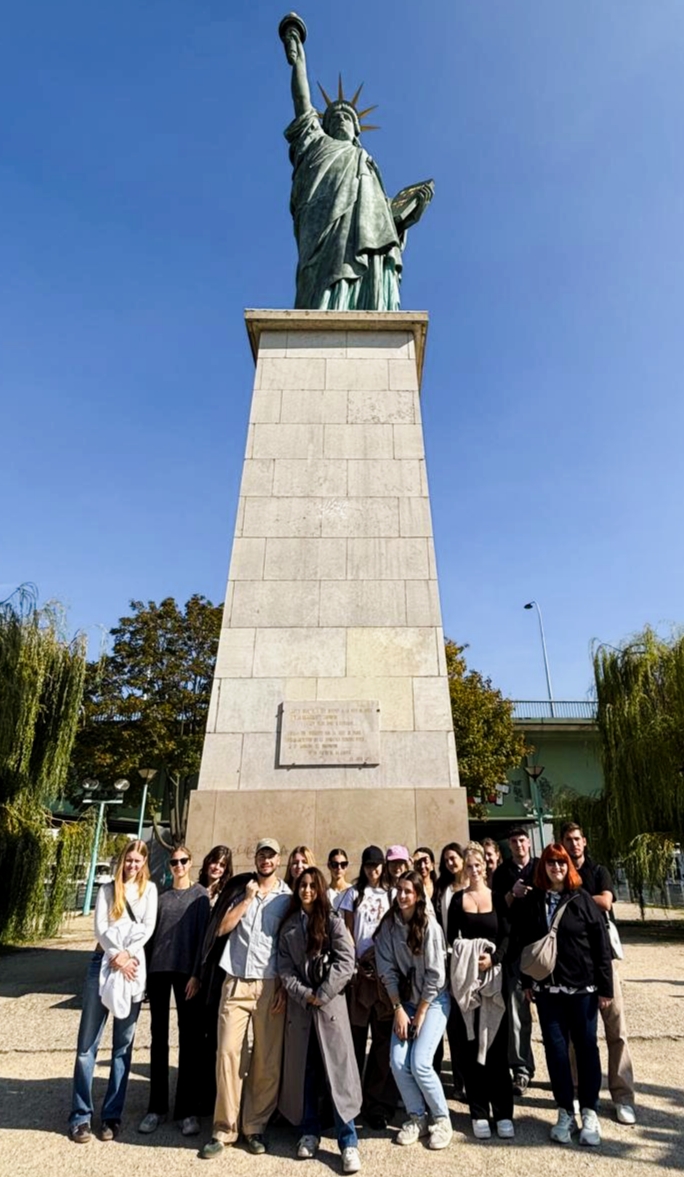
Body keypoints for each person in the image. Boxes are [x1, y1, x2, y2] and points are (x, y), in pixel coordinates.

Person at [280, 15, 433, 311]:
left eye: (347, 116)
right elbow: (302, 100)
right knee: (320, 280)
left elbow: (381, 219)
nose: (340, 117)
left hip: (363, 236)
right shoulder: (316, 142)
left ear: (357, 129)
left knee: (367, 265)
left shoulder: (366, 163)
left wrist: (405, 213)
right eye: (333, 115)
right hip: (322, 226)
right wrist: (299, 57)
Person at [514, 843, 613, 1147]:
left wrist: (605, 987)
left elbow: (601, 945)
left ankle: (589, 1110)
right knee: (556, 1051)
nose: (556, 868)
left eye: (561, 863)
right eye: (550, 863)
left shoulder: (582, 899)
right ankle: (564, 1110)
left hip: (582, 990)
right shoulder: (535, 902)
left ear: (568, 866)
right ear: (542, 867)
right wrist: (527, 981)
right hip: (548, 993)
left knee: (586, 1049)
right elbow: (524, 940)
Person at [200, 838, 291, 1159]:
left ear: (278, 859)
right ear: (255, 858)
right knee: (227, 1054)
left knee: (267, 1058)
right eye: (261, 854)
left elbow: (288, 944)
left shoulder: (288, 897)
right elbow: (222, 929)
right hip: (236, 980)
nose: (266, 860)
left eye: (271, 855)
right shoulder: (240, 889)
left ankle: (255, 1126)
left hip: (269, 984)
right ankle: (224, 1128)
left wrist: (283, 985)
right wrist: (248, 900)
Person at [69, 840, 157, 1143]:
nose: (133, 865)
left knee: (123, 1046)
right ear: (123, 861)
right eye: (129, 860)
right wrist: (115, 955)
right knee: (86, 1047)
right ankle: (80, 1117)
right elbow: (100, 928)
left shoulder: (150, 890)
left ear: (144, 863)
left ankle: (111, 1116)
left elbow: (148, 926)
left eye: (138, 860)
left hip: (132, 967)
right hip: (103, 964)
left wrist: (126, 954)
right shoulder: (107, 889)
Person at [278, 867, 363, 1174]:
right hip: (303, 1010)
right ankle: (309, 1131)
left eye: (313, 885)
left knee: (337, 1074)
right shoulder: (288, 926)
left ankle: (348, 1140)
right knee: (308, 1072)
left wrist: (322, 993)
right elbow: (284, 968)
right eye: (303, 885)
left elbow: (346, 960)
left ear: (322, 888)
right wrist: (304, 994)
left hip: (329, 1009)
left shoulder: (333, 921)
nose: (307, 890)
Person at [560, 822, 636, 1125]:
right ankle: (578, 1091)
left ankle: (623, 1096)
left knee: (616, 1029)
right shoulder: (560, 875)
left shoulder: (597, 870)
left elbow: (606, 901)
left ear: (584, 842)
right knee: (576, 1033)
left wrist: (576, 901)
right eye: (568, 840)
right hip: (574, 963)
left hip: (602, 959)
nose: (574, 844)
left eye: (577, 839)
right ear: (562, 844)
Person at [375, 870, 453, 1150]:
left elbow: (436, 976)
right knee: (398, 1062)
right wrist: (397, 1008)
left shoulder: (430, 927)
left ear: (418, 895)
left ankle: (442, 1119)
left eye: (409, 891)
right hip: (404, 1002)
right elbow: (386, 969)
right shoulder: (388, 926)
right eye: (400, 890)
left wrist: (419, 1013)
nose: (403, 895)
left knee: (420, 1063)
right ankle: (417, 1116)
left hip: (432, 1001)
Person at [139, 845, 209, 1137]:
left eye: (183, 861)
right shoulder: (160, 895)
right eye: (174, 862)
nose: (178, 865)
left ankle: (186, 1110)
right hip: (158, 969)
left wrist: (196, 973)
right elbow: (148, 935)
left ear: (191, 863)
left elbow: (203, 938)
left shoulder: (200, 896)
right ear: (169, 866)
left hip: (186, 973)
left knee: (189, 1039)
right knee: (158, 1038)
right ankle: (156, 1107)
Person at [446, 843, 514, 1140]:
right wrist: (469, 959)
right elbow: (451, 941)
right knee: (470, 1046)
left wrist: (493, 959)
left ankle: (503, 1112)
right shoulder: (457, 900)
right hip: (467, 983)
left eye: (478, 865)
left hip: (494, 979)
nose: (474, 870)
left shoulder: (498, 898)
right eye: (469, 865)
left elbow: (508, 936)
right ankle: (478, 1111)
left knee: (497, 1047)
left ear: (485, 867)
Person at [339, 845, 397, 1129]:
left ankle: (379, 1105)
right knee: (355, 1039)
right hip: (360, 974)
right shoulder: (353, 894)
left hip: (385, 974)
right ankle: (351, 1100)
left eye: (377, 866)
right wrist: (354, 963)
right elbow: (347, 930)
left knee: (383, 1042)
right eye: (369, 866)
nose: (373, 871)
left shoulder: (393, 893)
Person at [491, 827, 538, 1095]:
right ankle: (521, 1068)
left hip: (542, 948)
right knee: (517, 1013)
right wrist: (513, 892)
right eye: (513, 842)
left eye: (522, 841)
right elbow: (497, 908)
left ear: (529, 843)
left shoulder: (542, 866)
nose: (518, 845)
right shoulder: (502, 873)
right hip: (514, 951)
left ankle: (568, 1073)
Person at [434, 842, 466, 932]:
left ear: (462, 858)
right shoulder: (442, 887)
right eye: (446, 861)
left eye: (452, 858)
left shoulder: (473, 884)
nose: (450, 863)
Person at [327, 847, 353, 911]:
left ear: (346, 866)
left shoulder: (353, 891)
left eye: (343, 864)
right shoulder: (324, 892)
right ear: (329, 866)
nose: (339, 868)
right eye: (335, 864)